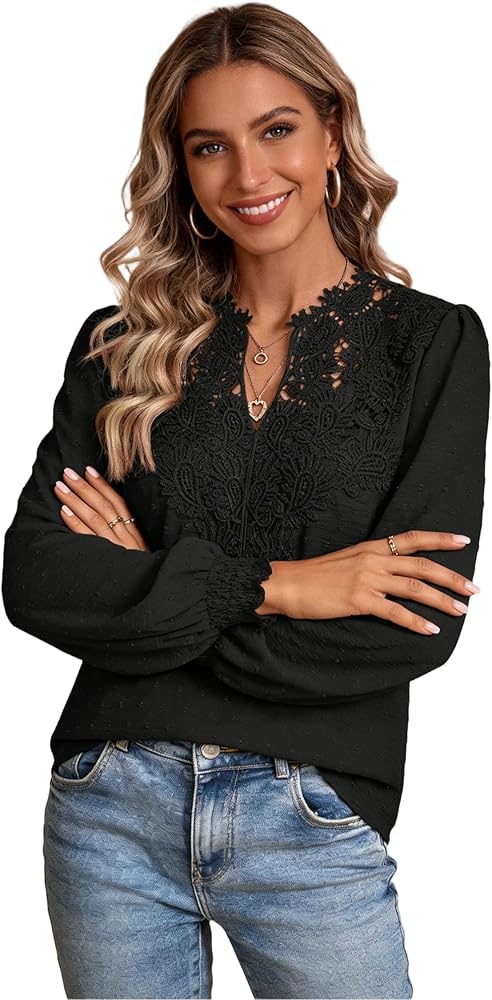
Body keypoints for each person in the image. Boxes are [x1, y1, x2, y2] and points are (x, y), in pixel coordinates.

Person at [2, 4, 489, 999]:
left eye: (276, 130)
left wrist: (148, 586)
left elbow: (410, 625)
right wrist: (286, 586)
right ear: (180, 167)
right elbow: (38, 579)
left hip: (311, 813)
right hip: (109, 805)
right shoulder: (119, 345)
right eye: (210, 146)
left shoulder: (432, 346)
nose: (249, 174)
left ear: (332, 133)